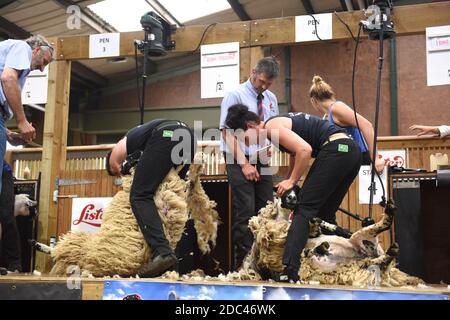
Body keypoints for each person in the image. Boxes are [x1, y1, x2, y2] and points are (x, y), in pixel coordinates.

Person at [225, 104, 362, 283]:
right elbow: (295, 155)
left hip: (336, 149)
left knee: (303, 210)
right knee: (324, 215)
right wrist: (289, 181)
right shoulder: (276, 127)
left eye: (244, 140)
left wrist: (291, 181)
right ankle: (354, 256)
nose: (246, 144)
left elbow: (304, 151)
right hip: (351, 151)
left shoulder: (270, 127)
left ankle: (289, 269)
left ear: (250, 127)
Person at [106, 119, 197, 277]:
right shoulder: (143, 140)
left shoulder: (124, 142)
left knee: (139, 195)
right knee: (167, 200)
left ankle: (162, 251)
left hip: (167, 135)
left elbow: (116, 164)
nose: (118, 175)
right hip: (189, 139)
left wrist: (120, 169)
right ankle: (172, 265)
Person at [219, 56, 280, 269]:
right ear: (253, 72)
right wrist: (244, 163)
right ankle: (243, 265)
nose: (263, 86)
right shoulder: (234, 95)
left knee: (267, 209)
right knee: (245, 209)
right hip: (238, 158)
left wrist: (271, 144)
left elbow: (272, 127)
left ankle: (265, 262)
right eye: (261, 81)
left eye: (268, 83)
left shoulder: (271, 98)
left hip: (262, 158)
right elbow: (227, 133)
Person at [0, 34, 54, 194]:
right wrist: (22, 121)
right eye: (44, 61)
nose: (43, 68)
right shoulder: (22, 48)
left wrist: (7, 134)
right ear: (36, 50)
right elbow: (8, 78)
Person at [309, 76, 385, 173]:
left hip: (360, 158)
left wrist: (376, 158)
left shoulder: (337, 108)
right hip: (345, 159)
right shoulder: (326, 117)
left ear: (313, 101)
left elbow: (366, 125)